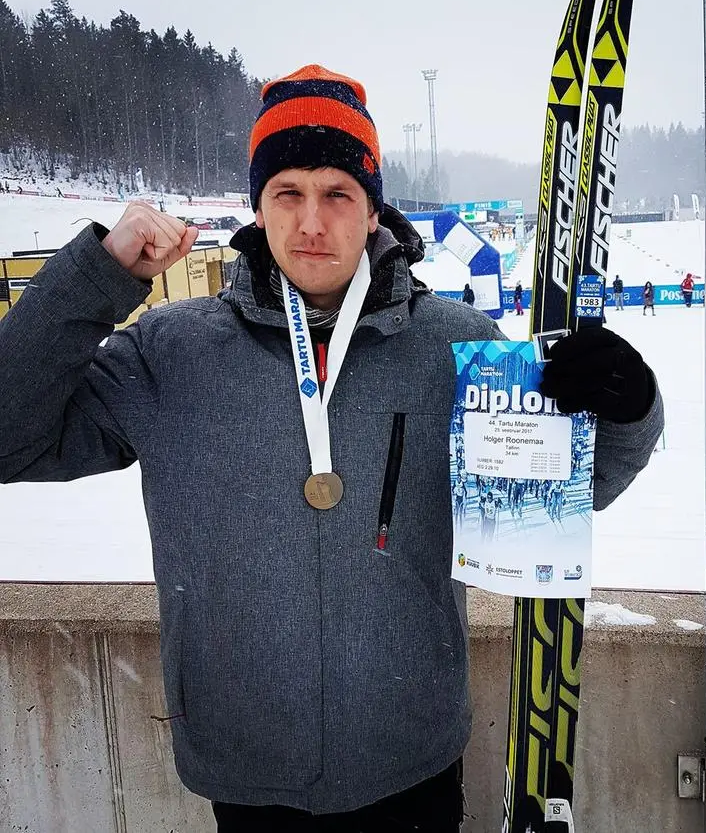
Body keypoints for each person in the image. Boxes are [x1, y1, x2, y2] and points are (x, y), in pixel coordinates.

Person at [0, 63, 663, 832]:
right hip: (246, 769)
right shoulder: (171, 353)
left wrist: (627, 407)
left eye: (337, 194)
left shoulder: (455, 347)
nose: (311, 221)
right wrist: (98, 276)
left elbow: (561, 496)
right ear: (258, 207)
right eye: (288, 192)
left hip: (409, 760)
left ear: (373, 209)